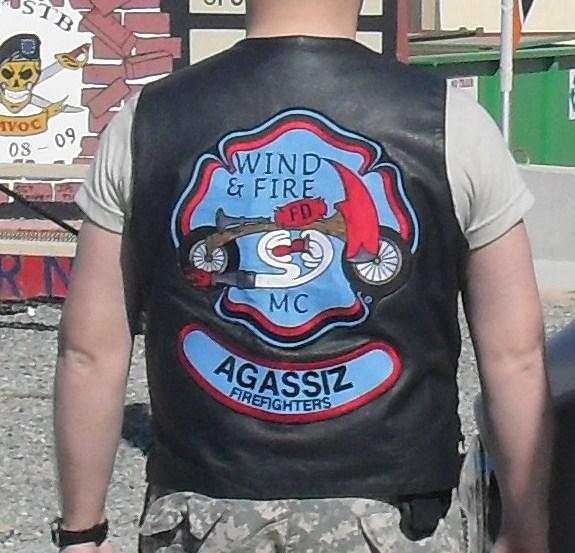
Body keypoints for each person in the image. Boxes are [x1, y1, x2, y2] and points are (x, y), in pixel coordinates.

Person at [52, 1, 553, 552]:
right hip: (394, 523)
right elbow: (516, 356)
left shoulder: (146, 119)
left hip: (204, 517)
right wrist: (527, 529)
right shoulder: (451, 122)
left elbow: (89, 350)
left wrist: (81, 531)